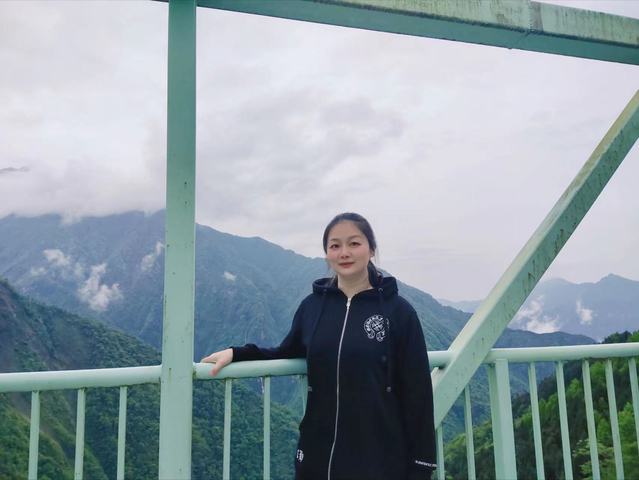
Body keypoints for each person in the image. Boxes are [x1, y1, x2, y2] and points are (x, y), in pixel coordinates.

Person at [202, 212, 436, 480]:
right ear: (327, 254)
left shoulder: (399, 313)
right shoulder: (312, 307)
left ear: (371, 249)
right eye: (335, 245)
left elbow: (418, 393)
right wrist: (237, 353)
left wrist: (422, 466)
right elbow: (285, 351)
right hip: (317, 455)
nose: (344, 252)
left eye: (354, 243)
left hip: (379, 459)